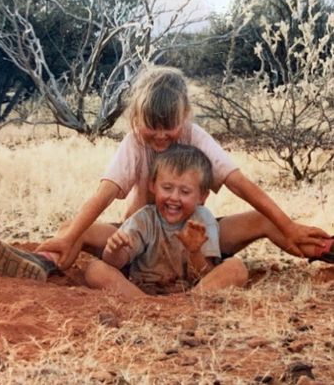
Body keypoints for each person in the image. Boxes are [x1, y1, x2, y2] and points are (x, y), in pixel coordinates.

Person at [35, 65, 333, 271]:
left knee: (267, 220)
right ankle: (43, 263)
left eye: (170, 127)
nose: (161, 136)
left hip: (195, 238)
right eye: (152, 127)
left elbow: (238, 182)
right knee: (70, 231)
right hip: (140, 240)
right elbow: (105, 193)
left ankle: (324, 249)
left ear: (185, 116)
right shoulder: (134, 141)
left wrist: (289, 226)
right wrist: (68, 237)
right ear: (136, 120)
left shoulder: (195, 136)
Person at [84, 144, 248, 299]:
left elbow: (205, 274)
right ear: (153, 186)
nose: (174, 198)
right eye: (167, 188)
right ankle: (145, 303)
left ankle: (184, 302)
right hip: (142, 289)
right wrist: (114, 250)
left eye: (185, 191)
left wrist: (195, 252)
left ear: (202, 196)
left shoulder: (203, 220)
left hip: (191, 290)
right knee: (96, 270)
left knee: (236, 268)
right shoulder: (144, 218)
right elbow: (116, 263)